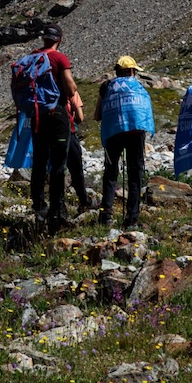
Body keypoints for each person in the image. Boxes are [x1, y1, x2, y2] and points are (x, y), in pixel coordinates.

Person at [23, 24, 79, 231]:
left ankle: (39, 206)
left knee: (39, 160)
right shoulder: (59, 58)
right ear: (60, 39)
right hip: (57, 114)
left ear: (43, 38)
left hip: (36, 115)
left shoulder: (32, 57)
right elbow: (70, 87)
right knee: (58, 163)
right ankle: (58, 209)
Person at [93, 55, 155, 228]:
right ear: (133, 71)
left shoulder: (106, 87)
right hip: (136, 132)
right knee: (135, 174)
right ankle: (132, 219)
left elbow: (97, 115)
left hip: (113, 134)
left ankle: (105, 216)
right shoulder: (139, 87)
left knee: (111, 173)